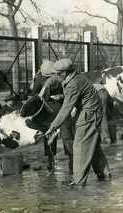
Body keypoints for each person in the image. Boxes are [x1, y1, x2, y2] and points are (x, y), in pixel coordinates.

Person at [45, 58, 111, 187]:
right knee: (93, 146)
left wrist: (53, 127)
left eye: (57, 74)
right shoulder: (76, 77)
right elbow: (53, 79)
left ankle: (78, 181)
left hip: (88, 115)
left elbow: (65, 109)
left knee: (80, 146)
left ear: (64, 73)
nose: (55, 77)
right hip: (93, 112)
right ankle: (105, 173)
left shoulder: (73, 85)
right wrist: (45, 87)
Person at [31, 60, 73, 172]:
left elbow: (71, 92)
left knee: (61, 134)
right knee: (57, 135)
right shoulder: (41, 78)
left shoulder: (57, 77)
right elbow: (34, 93)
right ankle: (57, 161)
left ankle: (64, 160)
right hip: (53, 110)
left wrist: (61, 96)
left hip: (58, 109)